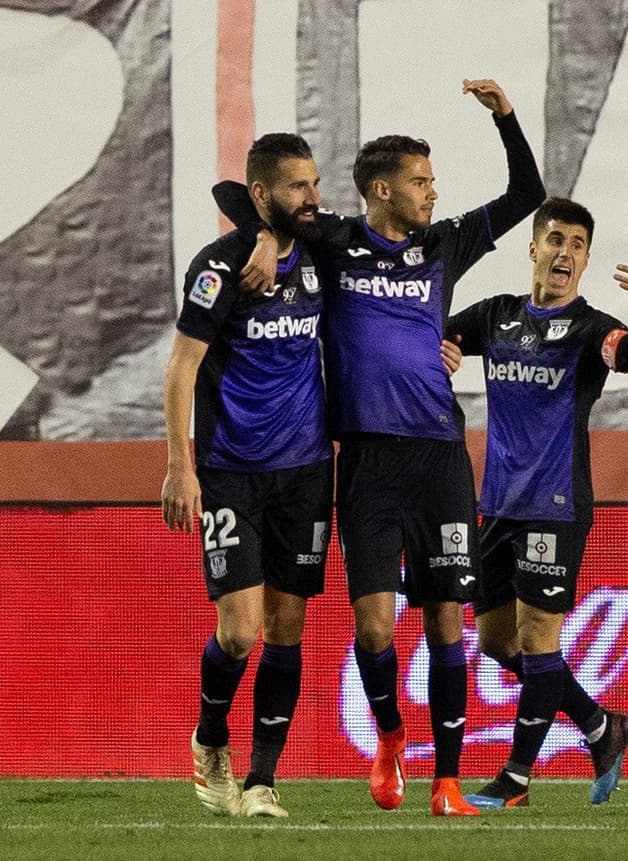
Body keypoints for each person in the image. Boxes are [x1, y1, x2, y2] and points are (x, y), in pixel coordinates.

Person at [216, 79, 545, 816]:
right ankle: (391, 734)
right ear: (380, 189)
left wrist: (506, 117)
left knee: (447, 622)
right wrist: (270, 237)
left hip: (439, 458)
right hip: (365, 459)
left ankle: (449, 781)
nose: (432, 193)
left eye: (433, 182)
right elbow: (243, 198)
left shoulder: (443, 244)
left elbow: (528, 191)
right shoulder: (334, 242)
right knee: (372, 624)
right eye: (420, 182)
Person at [444, 197, 628, 808]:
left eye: (577, 244)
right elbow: (431, 333)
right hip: (499, 503)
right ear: (534, 248)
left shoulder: (591, 328)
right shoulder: (496, 317)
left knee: (539, 640)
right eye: (556, 239)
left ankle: (515, 776)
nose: (565, 252)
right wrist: (443, 351)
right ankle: (602, 726)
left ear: (586, 260)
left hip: (556, 504)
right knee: (495, 644)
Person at [161, 132, 331, 819]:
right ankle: (209, 740)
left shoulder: (322, 248)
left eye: (315, 183)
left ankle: (262, 781)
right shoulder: (218, 267)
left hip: (308, 471)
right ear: (263, 194)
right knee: (240, 632)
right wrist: (182, 465)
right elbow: (182, 368)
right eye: (298, 186)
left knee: (287, 628)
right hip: (231, 471)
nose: (313, 198)